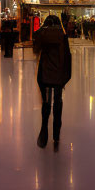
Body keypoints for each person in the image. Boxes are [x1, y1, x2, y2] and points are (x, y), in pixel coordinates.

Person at [33, 15, 72, 151]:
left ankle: (44, 130)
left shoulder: (42, 35)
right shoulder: (62, 36)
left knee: (46, 103)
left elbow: (35, 48)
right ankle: (56, 133)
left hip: (45, 75)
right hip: (59, 76)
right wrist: (66, 77)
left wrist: (43, 28)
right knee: (58, 102)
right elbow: (67, 57)